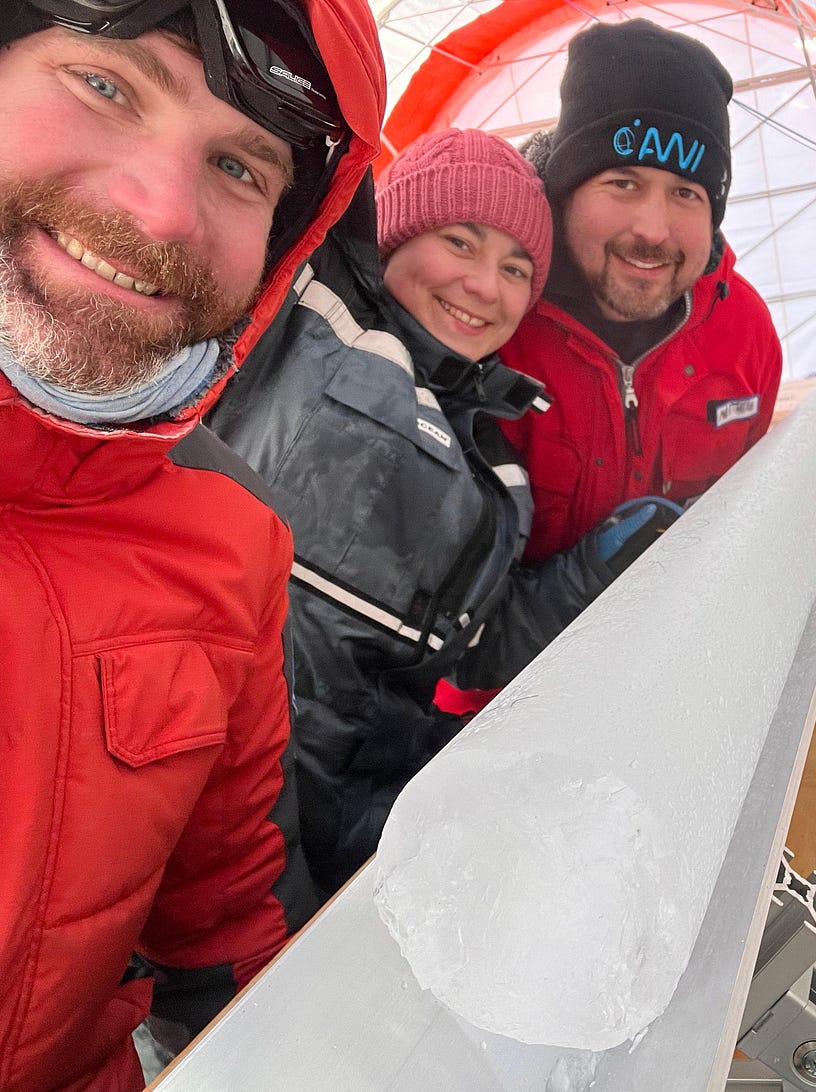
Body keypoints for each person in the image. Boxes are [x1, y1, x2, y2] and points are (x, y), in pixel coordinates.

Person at [0, 0, 383, 1088]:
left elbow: (227, 921)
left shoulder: (230, 542)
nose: (162, 210)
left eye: (240, 167)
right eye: (105, 86)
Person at [210, 127, 676, 895]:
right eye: (460, 242)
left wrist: (591, 572)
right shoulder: (298, 312)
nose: (486, 287)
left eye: (516, 268)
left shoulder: (495, 477)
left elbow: (476, 646)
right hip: (210, 798)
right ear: (392, 234)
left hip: (342, 833)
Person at [501, 19, 783, 562]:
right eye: (623, 183)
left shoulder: (745, 332)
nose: (654, 230)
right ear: (565, 191)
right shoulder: (491, 318)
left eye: (685, 192)